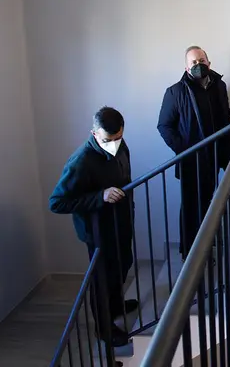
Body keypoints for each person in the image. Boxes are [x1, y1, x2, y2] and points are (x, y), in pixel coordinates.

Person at [49, 106, 138, 347]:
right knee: (102, 280)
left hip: (120, 223)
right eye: (109, 140)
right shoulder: (81, 161)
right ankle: (104, 328)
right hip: (98, 232)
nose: (115, 143)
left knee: (122, 267)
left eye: (118, 137)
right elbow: (57, 202)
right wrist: (100, 196)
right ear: (94, 133)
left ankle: (116, 306)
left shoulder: (121, 145)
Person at [158, 46, 230, 259]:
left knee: (212, 204)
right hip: (191, 161)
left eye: (201, 60)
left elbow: (225, 118)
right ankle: (191, 254)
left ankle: (210, 246)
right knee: (192, 207)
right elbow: (164, 126)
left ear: (209, 62)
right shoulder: (175, 92)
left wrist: (227, 154)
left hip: (217, 157)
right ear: (186, 67)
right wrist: (184, 150)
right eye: (193, 62)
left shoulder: (219, 85)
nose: (198, 65)